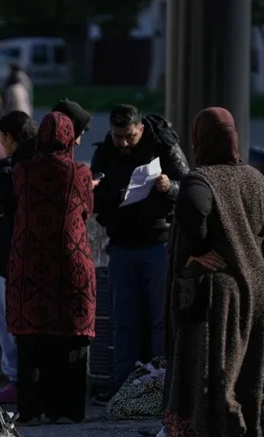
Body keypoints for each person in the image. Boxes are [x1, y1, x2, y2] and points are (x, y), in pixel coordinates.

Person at [160, 107, 264, 437]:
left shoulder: (202, 179)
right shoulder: (257, 179)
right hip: (256, 290)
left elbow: (191, 207)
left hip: (218, 295)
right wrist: (253, 258)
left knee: (214, 378)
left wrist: (200, 250)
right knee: (244, 377)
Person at [90, 104, 190, 403]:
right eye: (117, 136)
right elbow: (93, 196)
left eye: (129, 137)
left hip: (158, 242)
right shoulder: (105, 152)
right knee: (124, 321)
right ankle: (124, 386)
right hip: (121, 244)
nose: (123, 143)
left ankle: (160, 385)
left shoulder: (163, 146)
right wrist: (115, 196)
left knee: (161, 320)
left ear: (141, 129)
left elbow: (189, 187)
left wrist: (169, 186)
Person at [6, 112, 96, 425]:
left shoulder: (21, 171)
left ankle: (32, 408)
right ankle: (66, 409)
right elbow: (86, 211)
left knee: (32, 336)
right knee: (70, 336)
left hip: (28, 263)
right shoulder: (80, 173)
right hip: (70, 262)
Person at [0, 111, 37, 404]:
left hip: (6, 257)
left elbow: (0, 208)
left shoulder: (10, 171)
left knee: (7, 319)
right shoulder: (41, 165)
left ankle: (17, 379)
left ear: (9, 138)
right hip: (29, 256)